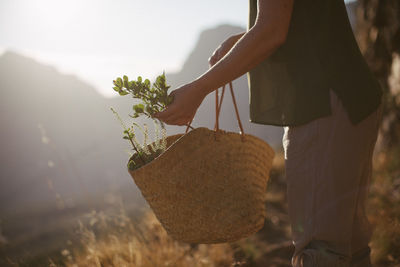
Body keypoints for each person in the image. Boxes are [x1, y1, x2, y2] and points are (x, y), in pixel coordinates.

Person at [154, 0, 382, 266]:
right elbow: (299, 17)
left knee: (321, 251)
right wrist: (243, 39)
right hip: (353, 98)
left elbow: (273, 30)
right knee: (350, 247)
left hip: (320, 105)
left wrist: (197, 90)